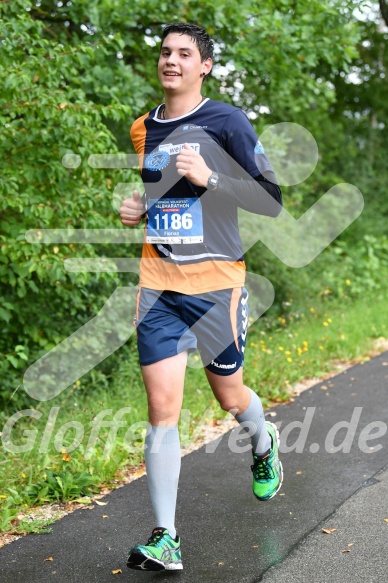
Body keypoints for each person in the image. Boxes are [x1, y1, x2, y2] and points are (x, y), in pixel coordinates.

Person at [120, 22, 283, 572]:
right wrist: (141, 207)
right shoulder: (143, 128)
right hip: (159, 285)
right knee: (161, 412)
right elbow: (160, 192)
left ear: (204, 65)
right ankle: (165, 537)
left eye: (184, 54)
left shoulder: (227, 121)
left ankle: (262, 443)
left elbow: (271, 200)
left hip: (217, 286)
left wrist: (213, 178)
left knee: (231, 399)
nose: (172, 60)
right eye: (165, 51)